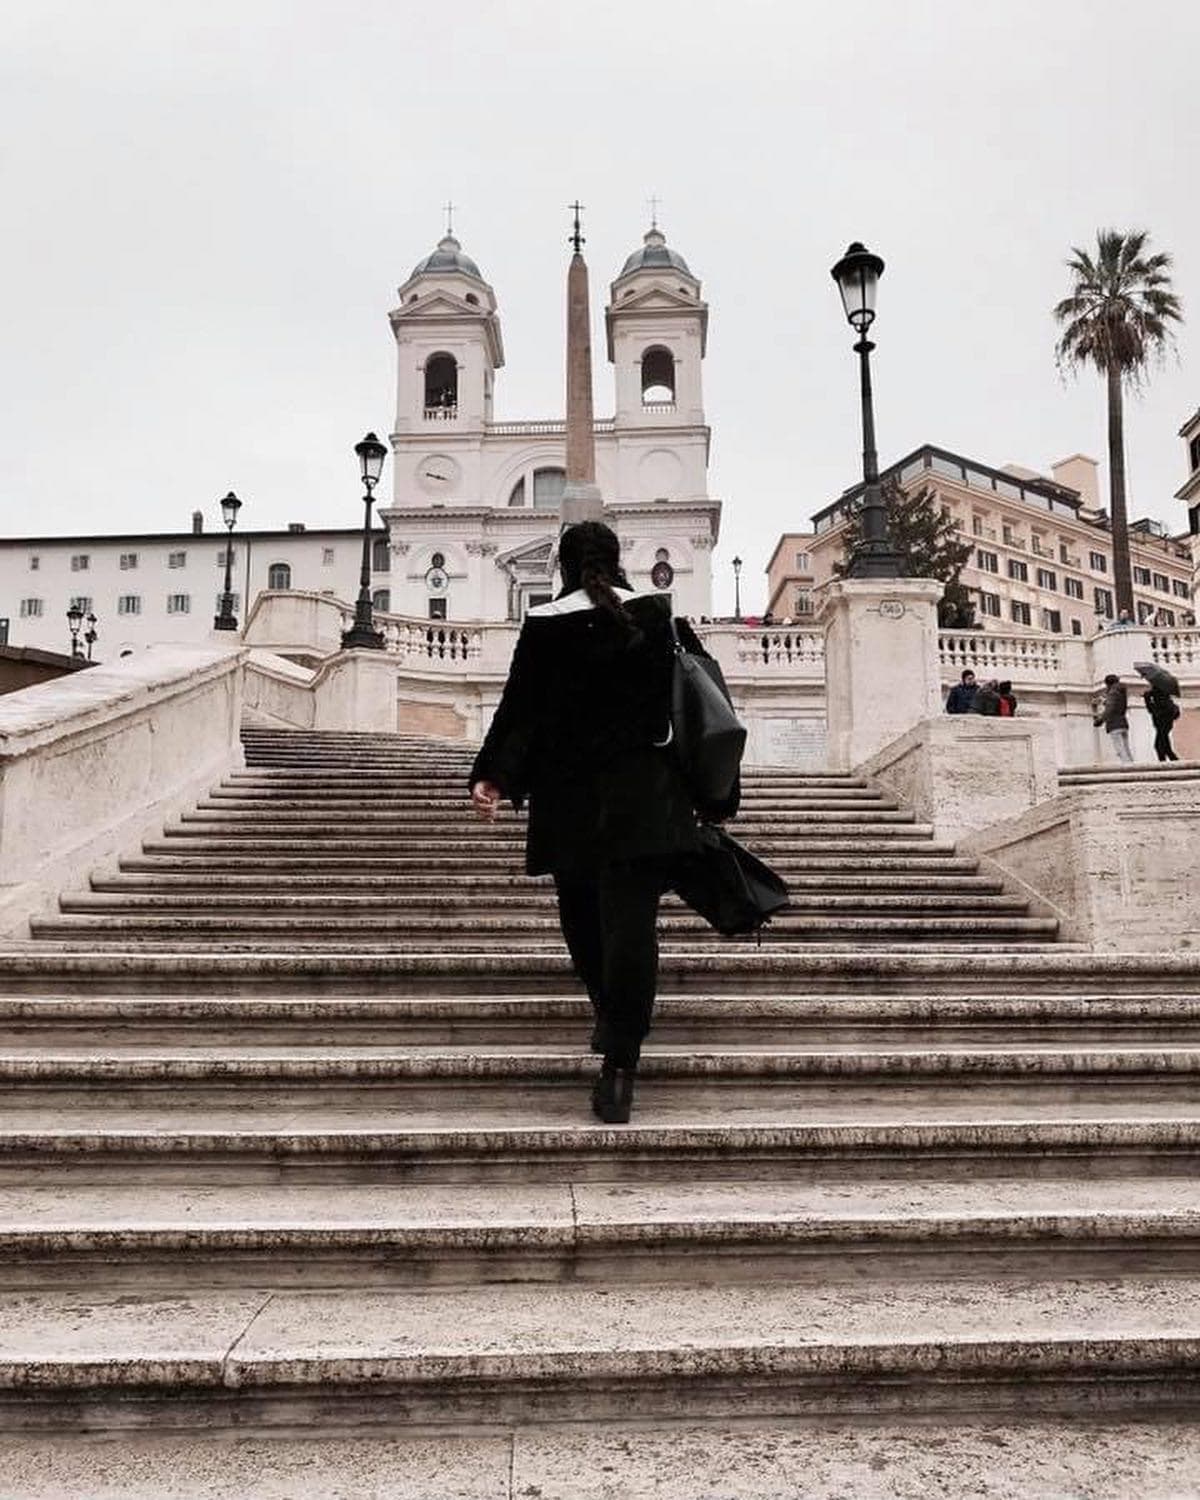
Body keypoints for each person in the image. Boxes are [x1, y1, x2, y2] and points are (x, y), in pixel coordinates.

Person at [468, 521, 737, 1124]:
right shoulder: (655, 616)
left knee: (584, 925)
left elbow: (521, 711)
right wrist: (710, 792)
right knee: (633, 927)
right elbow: (700, 701)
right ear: (618, 561)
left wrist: (494, 775)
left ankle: (611, 1018)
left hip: (570, 803)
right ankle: (620, 1061)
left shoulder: (545, 625)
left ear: (563, 565)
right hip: (645, 798)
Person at [1094, 673, 1132, 763]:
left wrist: (1100, 720)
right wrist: (1105, 701)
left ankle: (1127, 767)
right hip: (1123, 722)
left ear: (1108, 684)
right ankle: (1131, 764)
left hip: (1115, 724)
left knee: (1120, 749)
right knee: (1126, 748)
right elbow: (1116, 704)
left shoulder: (1112, 693)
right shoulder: (1121, 692)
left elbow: (1110, 709)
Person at [1145, 686, 1180, 762]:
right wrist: (1148, 699)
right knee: (1166, 746)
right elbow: (1152, 710)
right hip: (1163, 726)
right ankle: (1172, 761)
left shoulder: (1162, 701)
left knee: (1158, 745)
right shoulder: (1164, 699)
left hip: (1163, 725)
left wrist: (1147, 699)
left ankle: (1163, 763)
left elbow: (1154, 711)